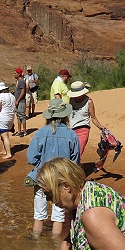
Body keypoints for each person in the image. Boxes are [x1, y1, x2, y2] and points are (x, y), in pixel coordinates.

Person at [26, 99, 79, 238]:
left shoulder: (41, 133)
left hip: (42, 178)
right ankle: (56, 246)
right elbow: (75, 162)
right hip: (61, 179)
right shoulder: (72, 134)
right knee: (58, 215)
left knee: (39, 214)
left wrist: (42, 163)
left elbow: (31, 158)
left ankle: (36, 241)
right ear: (65, 115)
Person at [68, 81, 108, 159]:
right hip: (71, 129)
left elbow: (93, 118)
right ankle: (78, 166)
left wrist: (101, 127)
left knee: (78, 152)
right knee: (70, 151)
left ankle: (74, 168)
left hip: (83, 129)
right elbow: (70, 114)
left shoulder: (89, 102)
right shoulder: (71, 100)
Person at [0, 82, 16, 159]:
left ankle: (8, 153)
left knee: (5, 136)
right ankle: (4, 150)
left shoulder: (0, 96)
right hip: (10, 117)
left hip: (2, 118)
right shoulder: (12, 96)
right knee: (3, 134)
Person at [13, 68, 27, 137]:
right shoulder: (19, 82)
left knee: (22, 116)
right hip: (18, 101)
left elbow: (23, 92)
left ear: (19, 74)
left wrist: (18, 100)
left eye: (15, 73)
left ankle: (24, 131)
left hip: (21, 102)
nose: (14, 74)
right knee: (18, 116)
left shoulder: (21, 81)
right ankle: (19, 131)